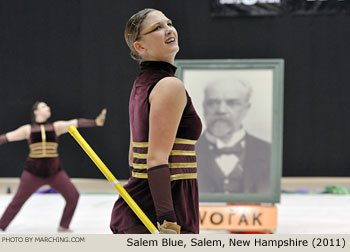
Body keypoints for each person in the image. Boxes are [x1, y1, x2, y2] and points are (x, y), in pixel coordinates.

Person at [110, 8, 202, 234]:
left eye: (169, 23)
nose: (169, 30)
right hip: (161, 210)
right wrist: (168, 220)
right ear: (140, 47)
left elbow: (133, 156)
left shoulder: (141, 85)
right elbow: (156, 158)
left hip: (141, 205)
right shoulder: (169, 85)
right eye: (157, 28)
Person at [0, 101, 107, 232]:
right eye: (44, 106)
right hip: (32, 173)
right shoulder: (27, 129)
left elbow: (75, 122)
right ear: (36, 112)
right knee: (17, 201)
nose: (48, 108)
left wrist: (96, 122)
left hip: (55, 172)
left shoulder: (56, 127)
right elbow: (6, 137)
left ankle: (64, 226)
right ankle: (1, 224)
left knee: (73, 196)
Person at [196, 79, 271, 194]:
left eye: (232, 103)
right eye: (212, 103)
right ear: (203, 106)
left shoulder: (269, 152)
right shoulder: (185, 152)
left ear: (246, 108)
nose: (221, 110)